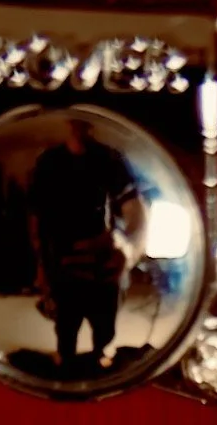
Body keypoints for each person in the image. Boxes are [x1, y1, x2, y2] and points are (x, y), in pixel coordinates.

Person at [30, 118, 138, 372]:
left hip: (101, 255)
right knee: (66, 323)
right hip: (62, 257)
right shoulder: (48, 162)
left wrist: (128, 247)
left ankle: (100, 354)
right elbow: (35, 215)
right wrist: (41, 266)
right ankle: (66, 358)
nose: (78, 128)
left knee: (104, 323)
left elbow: (133, 206)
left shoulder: (109, 158)